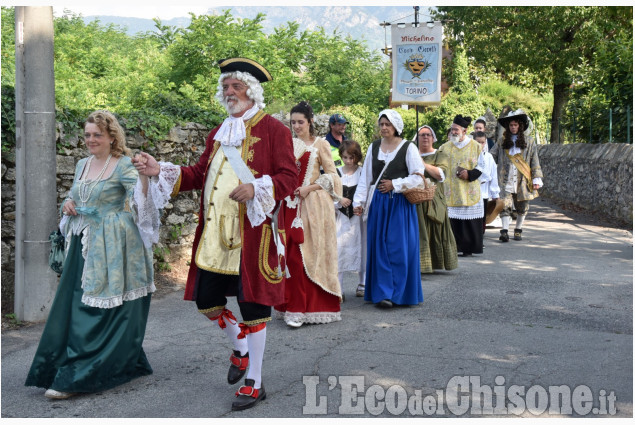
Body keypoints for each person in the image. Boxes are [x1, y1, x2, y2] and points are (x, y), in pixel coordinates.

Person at [133, 58, 297, 411]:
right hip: (214, 237)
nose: (228, 92)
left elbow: (289, 178)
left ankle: (254, 378)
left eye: (235, 87)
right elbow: (195, 174)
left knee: (254, 308)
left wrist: (257, 189)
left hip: (252, 236)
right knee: (207, 301)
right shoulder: (219, 131)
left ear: (251, 91)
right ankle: (238, 344)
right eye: (225, 87)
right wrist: (157, 168)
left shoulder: (274, 130)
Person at [25, 110, 162, 399]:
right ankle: (67, 366)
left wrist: (144, 178)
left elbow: (141, 201)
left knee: (98, 308)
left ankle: (84, 371)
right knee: (73, 304)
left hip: (113, 244)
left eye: (97, 135)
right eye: (87, 135)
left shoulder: (124, 164)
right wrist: (68, 203)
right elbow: (76, 195)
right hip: (82, 241)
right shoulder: (82, 164)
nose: (91, 140)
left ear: (112, 137)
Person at [274, 101, 343, 327]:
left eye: (300, 122)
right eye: (293, 122)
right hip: (289, 205)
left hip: (311, 206)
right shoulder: (284, 143)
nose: (296, 126)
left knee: (308, 255)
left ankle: (307, 307)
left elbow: (333, 175)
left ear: (310, 122)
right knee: (290, 257)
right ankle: (293, 306)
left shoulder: (320, 144)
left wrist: (309, 188)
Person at [353, 110, 424, 308]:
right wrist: (358, 202)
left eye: (388, 124)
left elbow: (418, 177)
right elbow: (366, 178)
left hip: (399, 205)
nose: (384, 127)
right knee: (379, 248)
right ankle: (383, 293)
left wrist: (396, 184)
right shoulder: (374, 147)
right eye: (382, 124)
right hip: (379, 204)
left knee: (398, 248)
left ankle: (399, 293)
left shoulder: (408, 147)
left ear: (396, 126)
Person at [489, 109, 543, 242]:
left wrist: (536, 178)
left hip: (522, 180)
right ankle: (505, 231)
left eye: (515, 125)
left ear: (520, 126)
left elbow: (534, 160)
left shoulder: (529, 142)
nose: (513, 127)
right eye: (511, 125)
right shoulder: (502, 141)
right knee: (504, 205)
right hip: (504, 180)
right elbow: (491, 156)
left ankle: (518, 229)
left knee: (522, 206)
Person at [415, 125, 458, 273]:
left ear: (433, 138)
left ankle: (435, 262)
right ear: (417, 138)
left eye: (428, 134)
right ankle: (420, 264)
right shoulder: (411, 154)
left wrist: (422, 164)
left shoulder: (440, 155)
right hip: (415, 198)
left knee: (435, 229)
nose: (425, 137)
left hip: (434, 198)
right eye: (422, 135)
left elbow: (440, 175)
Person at [441, 115, 485, 257]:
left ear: (464, 131)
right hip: (450, 190)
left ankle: (468, 248)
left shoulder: (476, 146)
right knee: (452, 221)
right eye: (452, 129)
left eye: (456, 130)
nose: (453, 132)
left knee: (468, 221)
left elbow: (482, 166)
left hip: (468, 189)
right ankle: (453, 247)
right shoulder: (444, 147)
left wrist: (470, 174)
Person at [334, 140, 366, 297]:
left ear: (357, 157)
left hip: (358, 219)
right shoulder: (336, 172)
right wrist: (338, 200)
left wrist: (361, 205)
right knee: (339, 249)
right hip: (340, 218)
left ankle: (363, 283)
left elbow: (366, 191)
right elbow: (329, 193)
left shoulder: (362, 172)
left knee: (362, 247)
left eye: (352, 157)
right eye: (345, 157)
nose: (348, 161)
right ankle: (338, 288)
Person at [474, 131, 500, 235]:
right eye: (478, 142)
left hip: (484, 192)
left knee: (482, 216)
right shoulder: (469, 156)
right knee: (473, 216)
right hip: (472, 191)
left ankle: (480, 237)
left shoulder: (489, 157)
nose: (480, 145)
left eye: (482, 142)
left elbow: (493, 176)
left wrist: (495, 193)